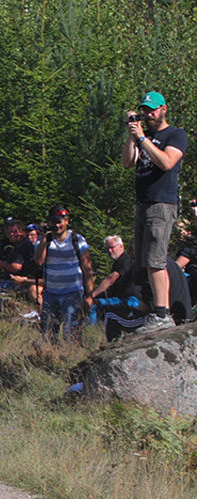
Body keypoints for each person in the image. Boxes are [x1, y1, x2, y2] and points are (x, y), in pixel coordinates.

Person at [122, 91, 188, 332]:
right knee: (142, 260)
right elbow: (128, 162)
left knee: (155, 260)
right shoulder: (143, 136)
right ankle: (151, 308)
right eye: (145, 110)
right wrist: (132, 135)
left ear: (164, 109)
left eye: (153, 110)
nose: (149, 114)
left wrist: (143, 139)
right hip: (143, 203)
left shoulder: (176, 134)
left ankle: (163, 313)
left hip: (162, 203)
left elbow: (167, 162)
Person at [34, 206, 94, 342]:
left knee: (71, 331)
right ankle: (49, 357)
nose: (57, 225)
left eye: (60, 221)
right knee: (48, 333)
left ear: (66, 221)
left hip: (72, 292)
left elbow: (87, 269)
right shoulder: (45, 241)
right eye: (54, 222)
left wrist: (89, 295)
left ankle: (71, 356)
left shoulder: (77, 240)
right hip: (51, 293)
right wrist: (44, 237)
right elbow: (39, 261)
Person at [0, 218, 36, 299]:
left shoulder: (23, 245)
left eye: (14, 232)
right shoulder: (15, 244)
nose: (11, 234)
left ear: (22, 232)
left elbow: (16, 267)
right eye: (9, 232)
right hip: (21, 281)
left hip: (22, 282)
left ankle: (3, 299)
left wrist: (2, 265)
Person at [92, 235, 139, 301]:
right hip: (120, 297)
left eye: (112, 247)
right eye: (107, 249)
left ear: (121, 246)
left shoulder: (125, 259)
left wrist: (93, 295)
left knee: (96, 305)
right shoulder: (117, 263)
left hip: (129, 299)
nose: (110, 251)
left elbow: (111, 278)